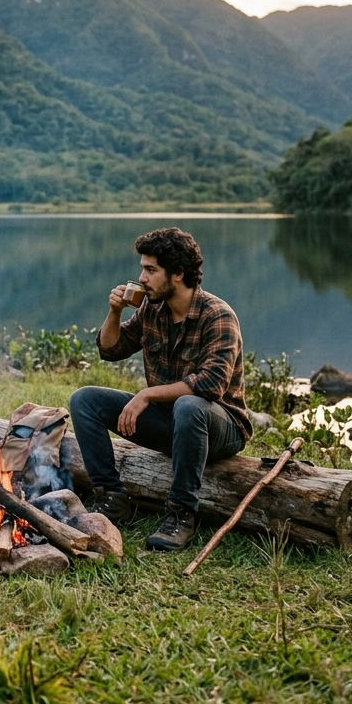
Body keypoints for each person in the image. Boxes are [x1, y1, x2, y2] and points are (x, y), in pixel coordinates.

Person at [69, 227, 252, 551]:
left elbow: (210, 385)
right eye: (142, 268)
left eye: (150, 270)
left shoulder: (218, 316)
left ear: (178, 274)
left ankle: (181, 515)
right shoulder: (152, 309)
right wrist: (114, 312)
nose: (142, 277)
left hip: (221, 428)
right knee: (85, 399)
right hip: (170, 423)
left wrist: (147, 395)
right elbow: (111, 349)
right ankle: (112, 498)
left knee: (189, 405)